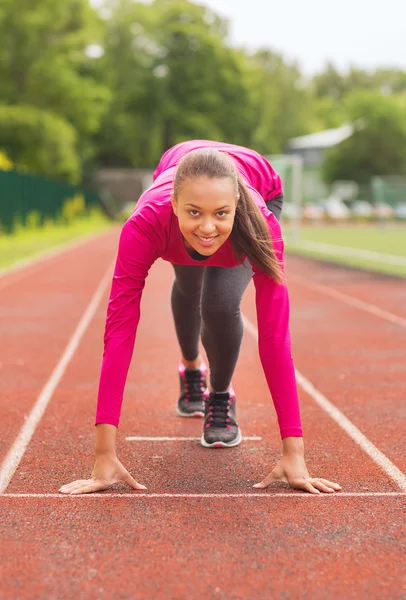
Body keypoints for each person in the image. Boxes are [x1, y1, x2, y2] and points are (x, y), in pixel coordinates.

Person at [59, 140, 341, 496]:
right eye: (194, 213)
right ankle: (191, 368)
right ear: (175, 205)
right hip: (179, 178)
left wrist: (294, 452)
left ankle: (219, 394)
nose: (207, 228)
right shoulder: (145, 224)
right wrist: (104, 454)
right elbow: (119, 330)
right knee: (188, 285)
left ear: (236, 206)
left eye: (219, 214)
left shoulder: (259, 225)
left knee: (219, 305)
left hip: (261, 189)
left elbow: (274, 337)